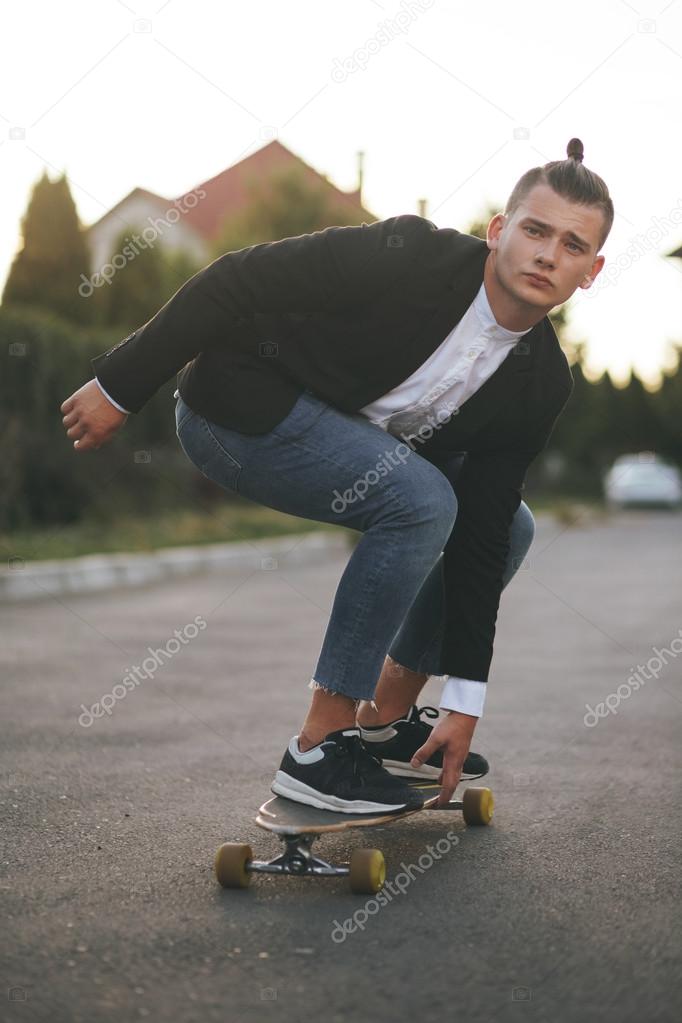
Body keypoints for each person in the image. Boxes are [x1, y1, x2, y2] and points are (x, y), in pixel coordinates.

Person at [60, 138, 612, 813]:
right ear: (499, 231)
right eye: (535, 230)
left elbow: (486, 531)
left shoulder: (540, 381)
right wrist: (121, 384)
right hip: (236, 409)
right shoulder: (414, 257)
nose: (549, 254)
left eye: (573, 246)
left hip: (350, 436)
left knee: (512, 525)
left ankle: (382, 722)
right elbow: (238, 278)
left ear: (592, 270)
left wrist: (465, 699)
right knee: (422, 500)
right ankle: (319, 748)